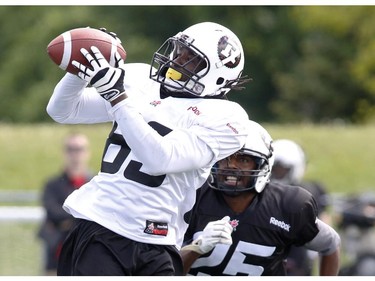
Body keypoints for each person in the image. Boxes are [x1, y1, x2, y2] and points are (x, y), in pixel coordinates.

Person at [46, 22, 251, 276]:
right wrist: (82, 68)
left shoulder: (226, 118)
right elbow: (63, 110)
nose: (177, 60)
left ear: (218, 76)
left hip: (160, 241)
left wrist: (116, 97)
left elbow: (161, 158)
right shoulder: (139, 80)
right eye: (179, 51)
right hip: (102, 226)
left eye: (192, 59)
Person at [181, 120, 340, 276]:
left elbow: (330, 244)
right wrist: (197, 247)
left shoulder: (286, 205)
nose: (231, 166)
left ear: (262, 166)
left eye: (243, 160)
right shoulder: (191, 195)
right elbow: (161, 271)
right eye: (225, 158)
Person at [270, 139, 331, 275]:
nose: (276, 175)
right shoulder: (259, 192)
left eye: (281, 170)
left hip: (296, 259)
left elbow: (325, 223)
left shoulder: (308, 193)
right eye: (273, 169)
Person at [38, 132, 93, 275]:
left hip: (89, 257)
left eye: (79, 149)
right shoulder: (52, 185)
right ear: (64, 152)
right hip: (57, 257)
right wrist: (83, 218)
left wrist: (67, 221)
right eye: (71, 149)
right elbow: (54, 213)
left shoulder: (96, 185)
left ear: (87, 152)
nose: (75, 154)